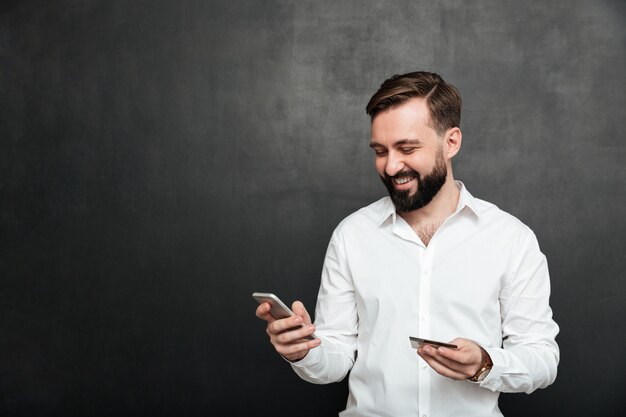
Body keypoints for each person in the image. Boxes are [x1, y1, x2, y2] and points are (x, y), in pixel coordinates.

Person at [255, 71, 559, 417]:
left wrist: (485, 364)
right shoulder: (352, 235)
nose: (391, 165)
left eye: (407, 148)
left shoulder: (511, 239)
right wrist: (303, 351)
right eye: (380, 151)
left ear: (452, 142)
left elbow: (542, 359)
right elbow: (337, 357)